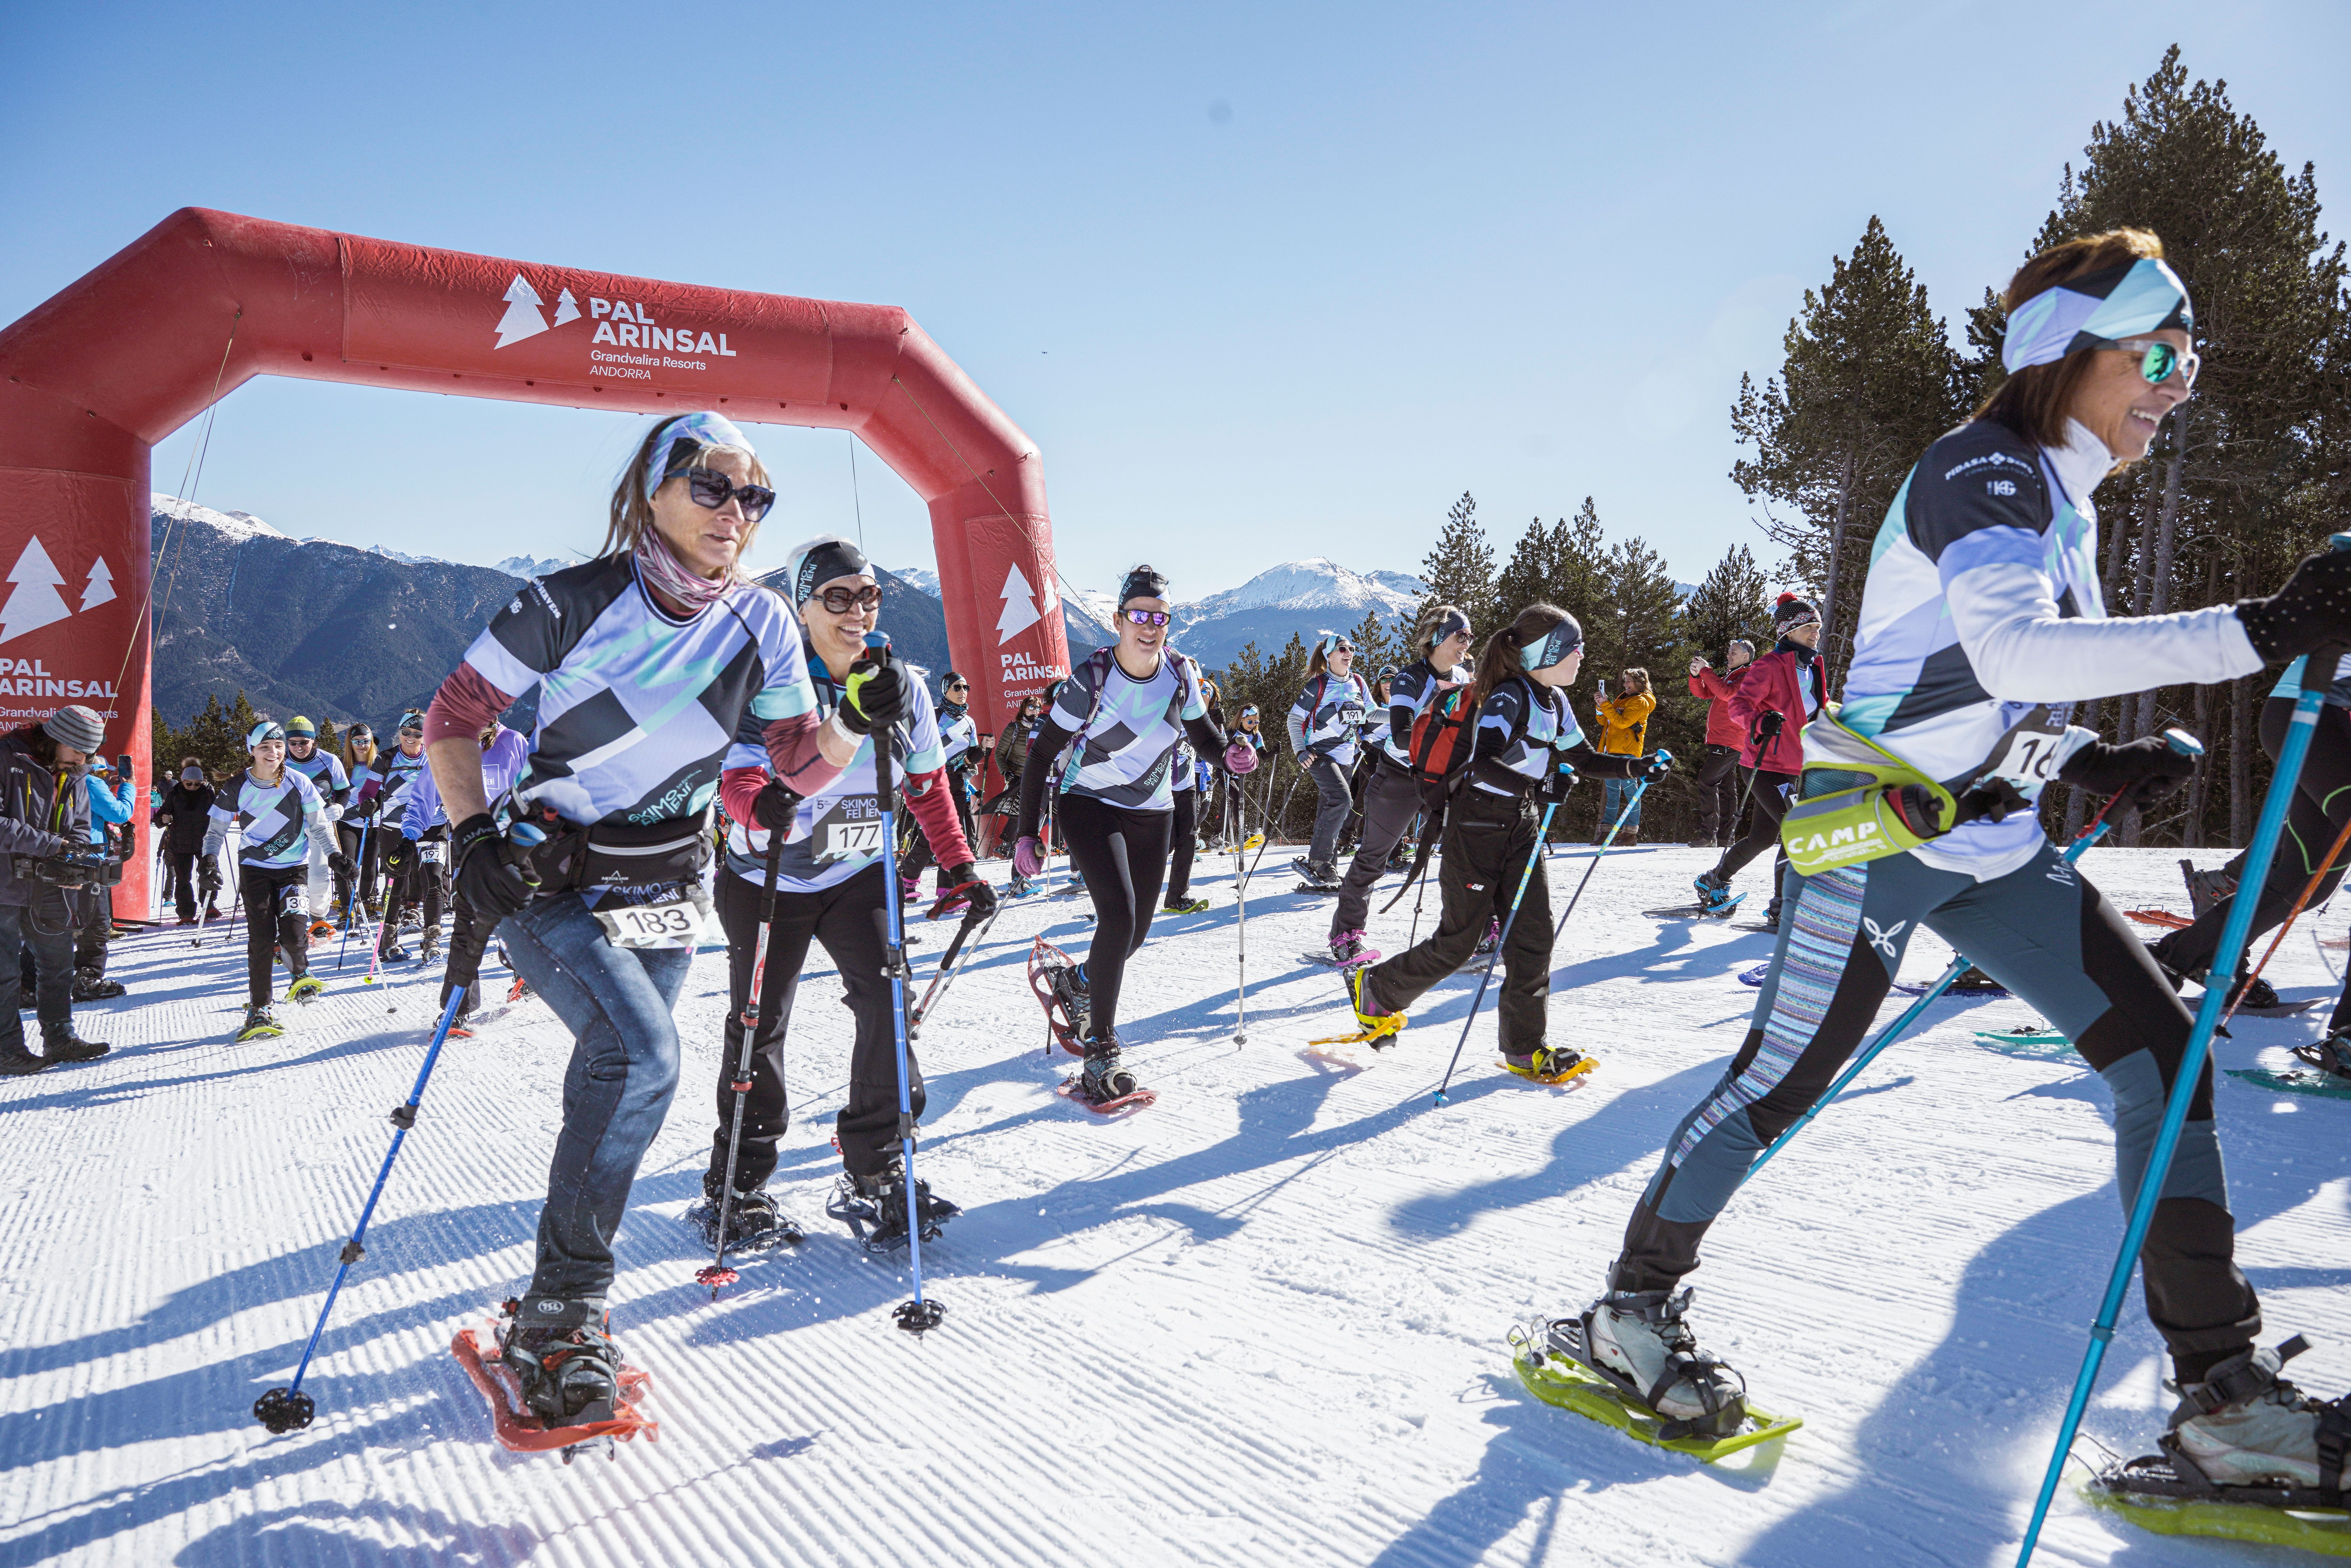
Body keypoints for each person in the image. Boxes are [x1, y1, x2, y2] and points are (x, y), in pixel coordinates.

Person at [1574, 231, 2351, 1489]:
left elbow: (1999, 696)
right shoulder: (1976, 469)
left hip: (1984, 842)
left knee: (2165, 1070)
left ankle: (2219, 1398)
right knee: (1783, 1080)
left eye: (2191, 362)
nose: (2178, 383)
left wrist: (2080, 769)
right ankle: (1630, 1310)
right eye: (2157, 353)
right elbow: (2008, 655)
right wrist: (2257, 628)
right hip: (1868, 834)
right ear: (2061, 354)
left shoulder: (2058, 495)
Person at [420, 410, 857, 1428]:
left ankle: (558, 1300)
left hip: (666, 896)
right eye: (713, 486)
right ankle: (564, 1312)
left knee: (617, 1079)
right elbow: (455, 716)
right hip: (552, 885)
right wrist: (474, 837)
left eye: (755, 496)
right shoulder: (570, 602)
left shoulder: (762, 622)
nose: (736, 512)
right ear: (654, 487)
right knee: (644, 1061)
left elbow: (794, 761)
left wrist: (851, 722)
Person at [701, 534, 994, 1249]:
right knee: (759, 1024)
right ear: (803, 607)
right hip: (765, 878)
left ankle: (877, 1163)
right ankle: (738, 1182)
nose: (856, 610)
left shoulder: (903, 686)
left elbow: (926, 785)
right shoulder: (766, 680)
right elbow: (735, 776)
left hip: (856, 869)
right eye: (837, 597)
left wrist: (959, 864)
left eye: (868, 595)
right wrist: (755, 805)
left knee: (889, 1002)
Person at [1343, 607, 1667, 1080]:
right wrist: (1538, 784)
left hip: (1521, 824)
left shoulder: (1555, 700)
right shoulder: (1507, 698)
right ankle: (1378, 988)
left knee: (1534, 936)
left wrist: (1637, 769)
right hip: (1475, 825)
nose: (1581, 655)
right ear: (1545, 652)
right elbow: (1483, 762)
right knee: (1460, 942)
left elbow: (1581, 757)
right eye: (1573, 647)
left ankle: (1524, 1047)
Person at [1013, 565, 1251, 1103]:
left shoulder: (1181, 672)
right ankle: (1100, 1046)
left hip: (1153, 809)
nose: (1150, 626)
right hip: (1089, 803)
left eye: (1161, 617)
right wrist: (1027, 833)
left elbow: (1204, 737)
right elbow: (1041, 753)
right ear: (1119, 620)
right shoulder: (1091, 679)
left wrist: (1231, 755)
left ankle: (1077, 983)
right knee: (1117, 915)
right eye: (1140, 615)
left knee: (1134, 934)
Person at [1311, 605, 1474, 969]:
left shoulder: (1463, 675)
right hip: (1399, 778)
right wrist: (1442, 715)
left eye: (1470, 637)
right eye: (1460, 635)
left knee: (1469, 852)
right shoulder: (1408, 680)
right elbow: (1401, 736)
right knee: (1373, 858)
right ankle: (1345, 936)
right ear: (1435, 638)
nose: (1467, 643)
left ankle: (1479, 930)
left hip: (1442, 779)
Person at [203, 719, 352, 1041]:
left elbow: (317, 826)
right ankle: (259, 1008)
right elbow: (215, 831)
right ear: (252, 751)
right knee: (260, 939)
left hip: (293, 868)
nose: (274, 753)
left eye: (279, 746)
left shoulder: (299, 782)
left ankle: (300, 972)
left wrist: (335, 856)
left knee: (295, 933)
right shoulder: (236, 786)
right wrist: (209, 860)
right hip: (255, 869)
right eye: (265, 747)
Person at [1693, 595, 1824, 930]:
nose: (1815, 634)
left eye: (1817, 628)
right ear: (1789, 631)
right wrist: (1760, 722)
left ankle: (1713, 882)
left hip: (1795, 765)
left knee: (1765, 837)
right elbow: (1739, 706)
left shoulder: (1814, 667)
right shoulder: (1768, 666)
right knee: (1797, 830)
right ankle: (1783, 909)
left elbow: (1819, 710)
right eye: (1809, 627)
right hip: (1764, 763)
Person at [0, 706, 115, 1076]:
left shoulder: (76, 773)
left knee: (58, 965)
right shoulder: (7, 755)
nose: (84, 761)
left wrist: (76, 858)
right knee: (6, 973)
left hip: (49, 885)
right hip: (3, 883)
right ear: (58, 738)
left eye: (89, 754)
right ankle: (7, 1049)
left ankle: (60, 1037)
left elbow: (80, 826)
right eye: (80, 751)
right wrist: (54, 846)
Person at [395, 720, 530, 1033]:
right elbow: (424, 796)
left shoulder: (513, 742)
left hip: (513, 851)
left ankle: (524, 969)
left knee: (516, 929)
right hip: (470, 852)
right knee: (467, 931)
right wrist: (408, 838)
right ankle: (457, 1009)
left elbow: (536, 791)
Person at [1287, 632, 1374, 890]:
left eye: (1351, 649)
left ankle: (1327, 867)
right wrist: (1300, 751)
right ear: (1329, 656)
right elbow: (1294, 719)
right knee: (1342, 800)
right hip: (1319, 755)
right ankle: (1319, 862)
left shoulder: (1358, 682)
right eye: (1343, 649)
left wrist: (1403, 717)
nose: (1349, 653)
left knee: (1329, 808)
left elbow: (1372, 713)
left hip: (1347, 757)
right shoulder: (1318, 685)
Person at [900, 669, 980, 903]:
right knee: (933, 834)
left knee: (957, 835)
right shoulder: (934, 716)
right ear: (945, 690)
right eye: (957, 687)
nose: (963, 692)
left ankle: (946, 891)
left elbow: (972, 753)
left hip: (957, 781)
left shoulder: (969, 721)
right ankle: (908, 879)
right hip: (933, 780)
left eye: (966, 688)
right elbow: (916, 745)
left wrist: (983, 748)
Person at [375, 712, 441, 963]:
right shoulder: (386, 758)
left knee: (434, 878)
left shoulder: (437, 756)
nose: (411, 738)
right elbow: (369, 791)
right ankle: (388, 939)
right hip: (395, 826)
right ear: (399, 731)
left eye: (418, 734)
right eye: (406, 733)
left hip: (433, 825)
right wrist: (370, 802)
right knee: (396, 882)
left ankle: (432, 939)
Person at [73, 754, 135, 1000]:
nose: (108, 777)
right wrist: (128, 785)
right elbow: (120, 813)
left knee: (52, 923)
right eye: (105, 773)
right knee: (97, 923)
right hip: (88, 857)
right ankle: (88, 979)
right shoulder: (91, 782)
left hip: (62, 854)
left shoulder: (60, 778)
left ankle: (30, 983)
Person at [281, 717, 350, 932]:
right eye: (293, 743)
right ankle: (289, 919)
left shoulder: (329, 761)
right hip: (289, 826)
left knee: (319, 875)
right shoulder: (280, 762)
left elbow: (344, 791)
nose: (298, 747)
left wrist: (339, 808)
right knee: (290, 873)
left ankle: (318, 918)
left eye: (303, 742)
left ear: (313, 741)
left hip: (320, 824)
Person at [1687, 641, 1756, 848]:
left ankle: (1709, 835)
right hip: (1724, 739)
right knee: (1726, 788)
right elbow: (1704, 693)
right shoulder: (1731, 675)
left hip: (1730, 738)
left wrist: (1706, 670)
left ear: (1746, 656)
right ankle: (1726, 837)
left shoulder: (1747, 676)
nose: (1729, 656)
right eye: (1728, 652)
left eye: (1733, 653)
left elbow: (1726, 694)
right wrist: (1695, 676)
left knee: (1707, 782)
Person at [1591, 669, 1656, 846]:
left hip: (1628, 750)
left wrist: (1607, 706)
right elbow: (1605, 721)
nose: (1625, 684)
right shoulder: (1623, 698)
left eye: (1629, 681)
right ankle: (1606, 832)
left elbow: (1622, 723)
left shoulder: (1642, 701)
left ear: (1640, 682)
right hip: (1611, 748)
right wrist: (1600, 706)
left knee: (1631, 792)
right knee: (1612, 792)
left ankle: (1630, 834)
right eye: (1625, 681)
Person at [157, 757, 220, 926]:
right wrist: (164, 818)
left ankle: (209, 906)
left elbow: (220, 811)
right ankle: (186, 912)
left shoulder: (208, 793)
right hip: (180, 842)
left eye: (197, 784)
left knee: (208, 874)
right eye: (189, 784)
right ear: (183, 781)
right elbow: (160, 816)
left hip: (205, 841)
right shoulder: (175, 794)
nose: (193, 787)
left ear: (202, 782)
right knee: (183, 878)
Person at [336, 723, 385, 917]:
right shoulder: (341, 765)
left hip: (373, 823)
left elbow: (387, 792)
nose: (362, 745)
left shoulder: (380, 764)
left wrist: (377, 806)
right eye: (357, 742)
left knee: (371, 867)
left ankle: (366, 901)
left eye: (366, 741)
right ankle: (347, 906)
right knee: (346, 863)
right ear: (350, 743)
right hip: (347, 822)